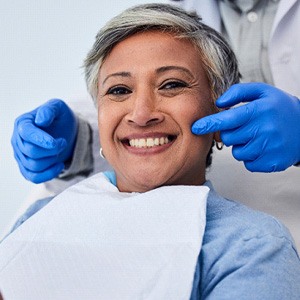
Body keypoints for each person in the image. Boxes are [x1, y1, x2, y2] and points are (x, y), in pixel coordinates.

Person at [2, 5, 300, 298]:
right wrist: (79, 141)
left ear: (220, 113)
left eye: (171, 85)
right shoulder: (40, 218)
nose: (141, 114)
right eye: (119, 90)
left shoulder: (250, 246)